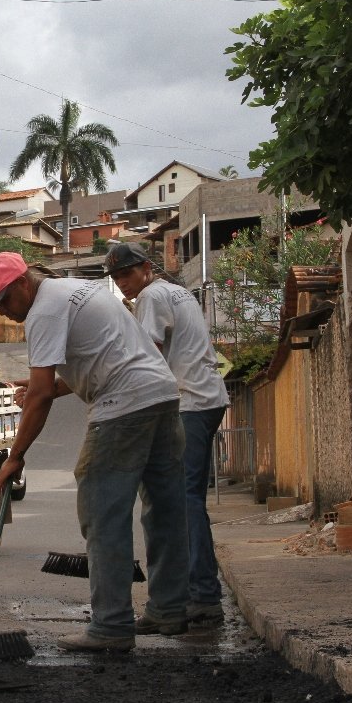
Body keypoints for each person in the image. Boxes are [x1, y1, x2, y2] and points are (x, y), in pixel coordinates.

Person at [0, 251, 191, 650]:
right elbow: (94, 364)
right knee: (164, 508)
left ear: (23, 283)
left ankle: (111, 625)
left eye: (4, 300)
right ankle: (169, 608)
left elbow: (40, 394)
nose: (3, 313)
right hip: (161, 395)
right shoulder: (75, 290)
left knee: (101, 511)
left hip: (122, 408)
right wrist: (47, 388)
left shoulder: (43, 312)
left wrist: (15, 456)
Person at [105, 242, 231, 625]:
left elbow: (148, 358)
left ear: (145, 268)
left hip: (191, 402)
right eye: (116, 278)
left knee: (184, 500)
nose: (122, 283)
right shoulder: (176, 291)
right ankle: (198, 593)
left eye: (126, 274)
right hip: (206, 398)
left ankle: (203, 596)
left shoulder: (152, 296)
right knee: (187, 498)